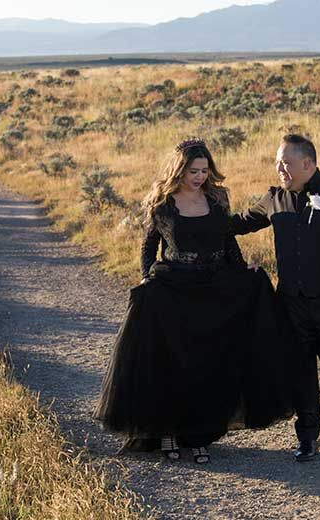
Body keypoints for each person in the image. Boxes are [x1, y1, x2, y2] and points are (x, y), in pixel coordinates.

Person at [94, 137, 298, 464]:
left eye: (204, 170)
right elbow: (149, 248)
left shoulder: (217, 199)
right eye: (194, 171)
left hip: (215, 287)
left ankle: (200, 433)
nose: (200, 176)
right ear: (179, 169)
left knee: (210, 362)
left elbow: (226, 240)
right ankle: (168, 432)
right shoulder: (161, 205)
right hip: (175, 289)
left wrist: (242, 268)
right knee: (174, 364)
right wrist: (147, 279)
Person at [229, 134, 320, 462]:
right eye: (277, 162)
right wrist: (198, 217)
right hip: (290, 302)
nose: (280, 168)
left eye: (286, 162)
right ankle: (307, 435)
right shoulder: (273, 198)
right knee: (301, 366)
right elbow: (239, 225)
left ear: (307, 164)